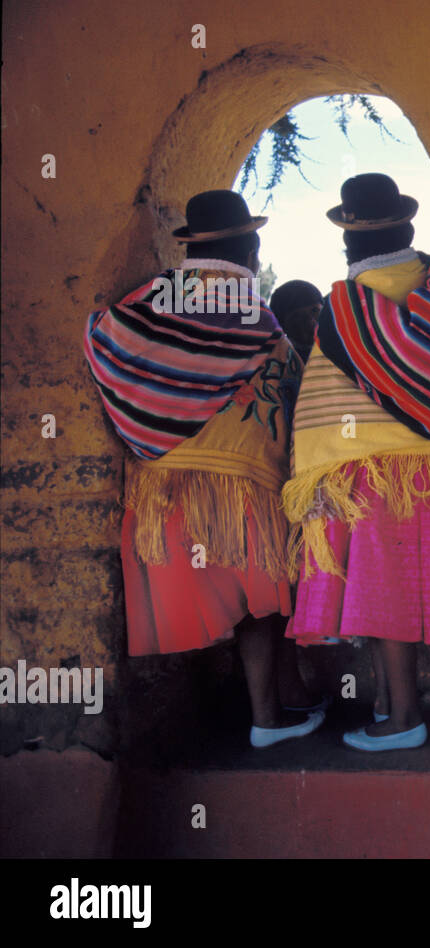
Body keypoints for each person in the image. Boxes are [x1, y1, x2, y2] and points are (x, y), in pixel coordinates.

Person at [83, 189, 323, 748]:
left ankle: (277, 706)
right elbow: (290, 392)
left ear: (191, 248)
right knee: (260, 604)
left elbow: (102, 338)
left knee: (234, 600)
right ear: (251, 251)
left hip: (161, 486)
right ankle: (269, 718)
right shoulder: (256, 315)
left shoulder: (149, 301)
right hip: (236, 483)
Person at [282, 173, 430, 752]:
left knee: (381, 604)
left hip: (364, 476)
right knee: (402, 596)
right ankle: (387, 705)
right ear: (408, 229)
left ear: (349, 243)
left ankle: (404, 719)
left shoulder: (341, 309)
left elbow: (321, 408)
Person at [269, 280, 323, 364]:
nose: (311, 322)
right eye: (299, 317)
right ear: (282, 326)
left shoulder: (339, 350)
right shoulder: (279, 361)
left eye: (315, 311)